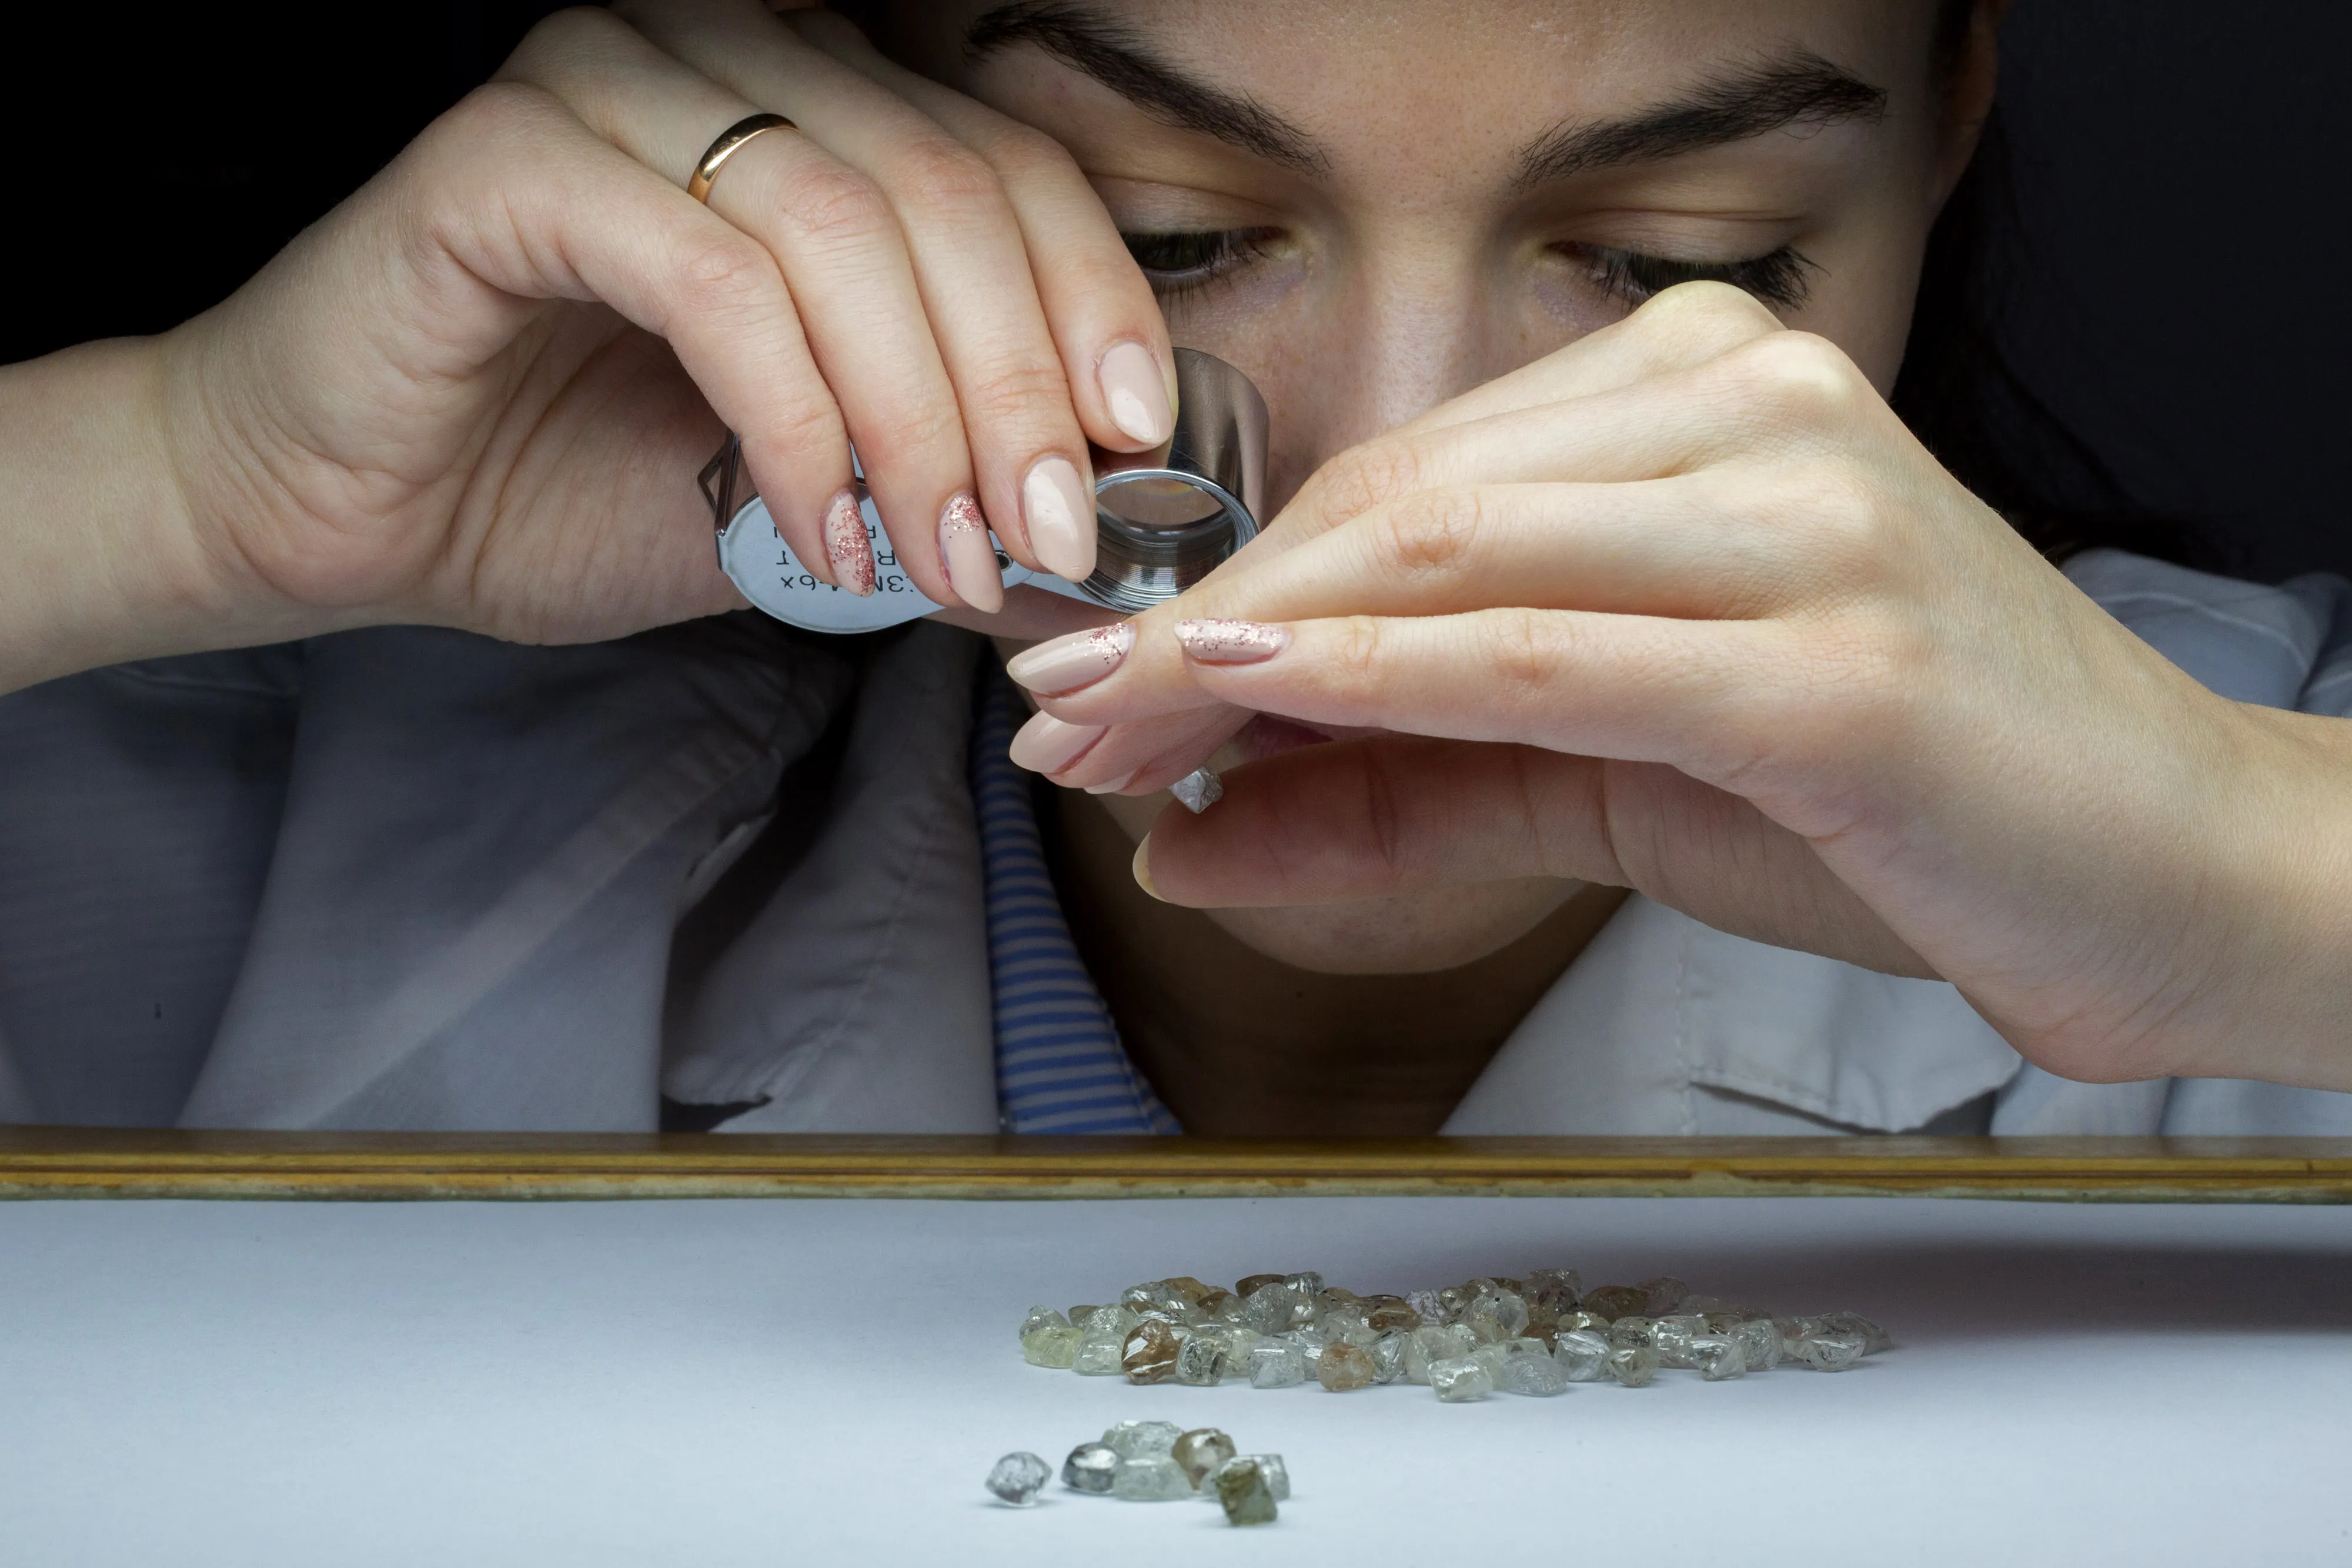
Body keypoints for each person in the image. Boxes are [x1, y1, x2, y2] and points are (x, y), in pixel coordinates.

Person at [1, 0, 2346, 1137]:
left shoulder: (2283, 810)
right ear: (845, 121)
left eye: (1662, 258)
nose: (1395, 471)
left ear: (1940, 141)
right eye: (1174, 235)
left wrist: (2253, 883)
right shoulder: (242, 836)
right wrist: (168, 477)